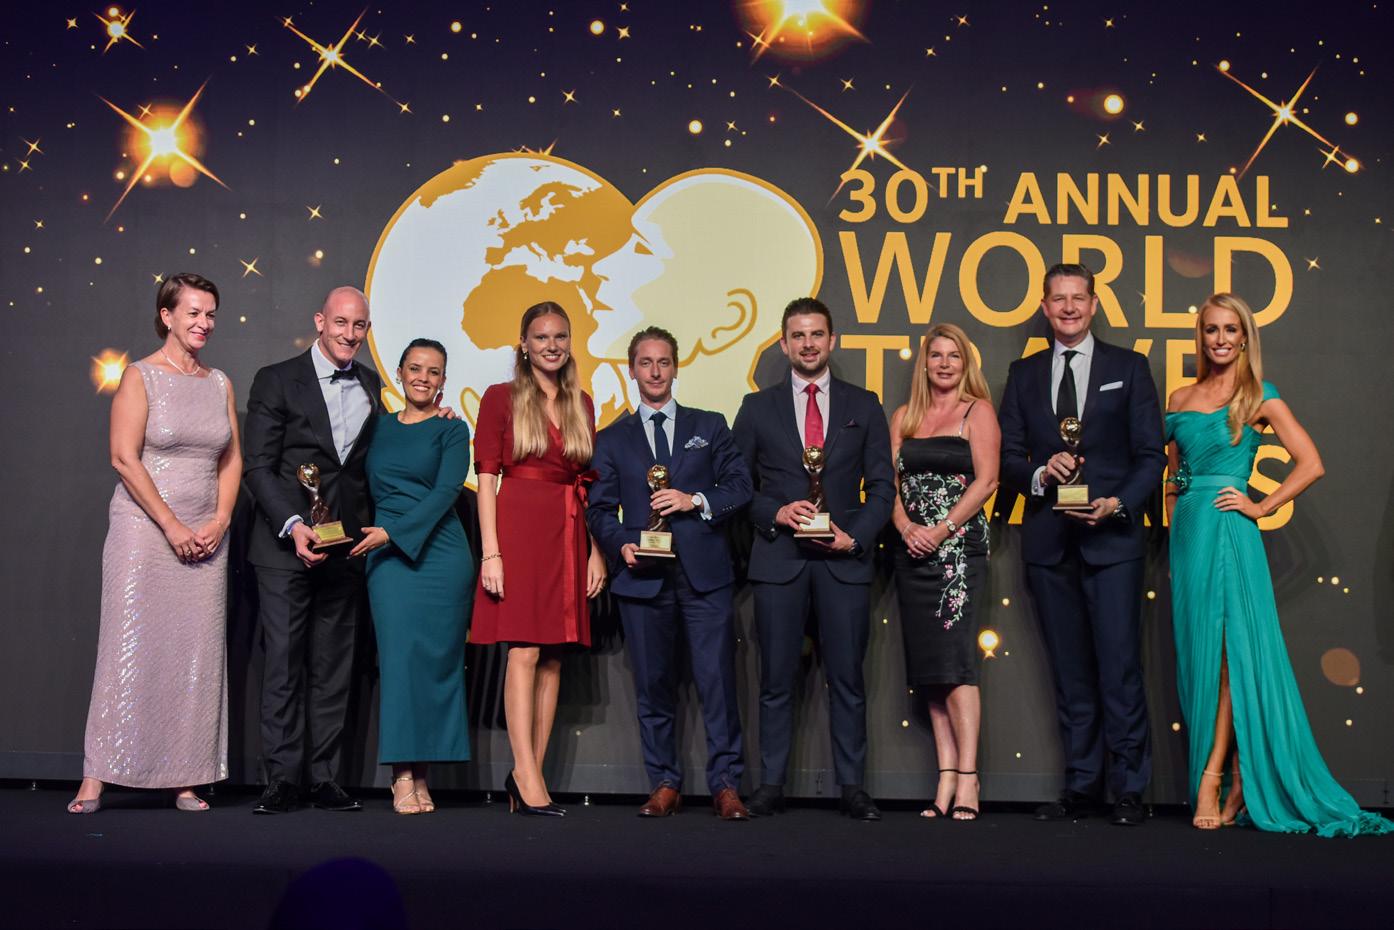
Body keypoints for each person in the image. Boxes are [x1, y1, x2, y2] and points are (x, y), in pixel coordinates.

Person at [1165, 294, 1393, 836]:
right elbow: (1174, 476)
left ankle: (1213, 777)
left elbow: (1311, 463)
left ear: (1245, 337)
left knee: (1229, 657)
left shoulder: (1259, 396)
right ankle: (1240, 778)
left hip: (1230, 533)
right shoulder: (1179, 397)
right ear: (1201, 336)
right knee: (1201, 654)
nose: (1221, 339)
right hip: (1190, 536)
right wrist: (1175, 523)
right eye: (1212, 329)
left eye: (1231, 330)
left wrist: (1262, 505)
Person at [999, 263, 1165, 827]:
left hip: (1113, 540)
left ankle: (1129, 789)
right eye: (1058, 299)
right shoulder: (1023, 374)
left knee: (1119, 668)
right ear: (1045, 307)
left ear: (1093, 305)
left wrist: (1119, 503)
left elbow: (1151, 456)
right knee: (1070, 674)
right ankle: (1082, 785)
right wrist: (1041, 473)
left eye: (1078, 298)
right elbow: (1007, 458)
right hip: (1050, 544)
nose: (1068, 308)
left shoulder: (1129, 367)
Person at [69, 273, 241, 813]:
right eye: (193, 312)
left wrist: (220, 520)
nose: (203, 323)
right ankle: (97, 776)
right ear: (167, 316)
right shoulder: (140, 376)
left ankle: (185, 777)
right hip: (145, 532)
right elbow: (124, 458)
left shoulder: (219, 383)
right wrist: (171, 525)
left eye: (210, 314)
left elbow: (231, 458)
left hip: (206, 539)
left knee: (194, 654)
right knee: (127, 648)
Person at [732, 297, 895, 820]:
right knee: (776, 681)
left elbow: (883, 488)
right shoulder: (756, 408)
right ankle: (770, 785)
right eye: (798, 335)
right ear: (784, 344)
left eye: (816, 334)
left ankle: (853, 787)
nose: (808, 344)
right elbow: (736, 488)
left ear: (832, 340)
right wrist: (776, 512)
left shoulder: (863, 405)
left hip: (843, 563)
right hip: (779, 561)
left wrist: (855, 539)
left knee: (847, 680)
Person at [586, 326, 754, 820]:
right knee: (653, 686)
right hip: (642, 577)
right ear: (631, 370)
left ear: (676, 368)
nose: (655, 371)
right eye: (646, 363)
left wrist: (694, 499)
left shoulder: (710, 425)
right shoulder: (611, 438)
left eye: (663, 362)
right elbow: (599, 510)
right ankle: (664, 782)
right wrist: (621, 544)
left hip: (705, 576)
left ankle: (726, 785)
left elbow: (740, 485)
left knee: (717, 684)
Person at [243, 286, 383, 815]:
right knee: (283, 664)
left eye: (359, 325)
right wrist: (294, 525)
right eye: (341, 323)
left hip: (344, 548)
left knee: (334, 667)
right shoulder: (277, 379)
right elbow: (259, 465)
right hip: (284, 548)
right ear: (320, 321)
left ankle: (324, 777)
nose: (350, 334)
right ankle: (282, 780)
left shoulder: (370, 383)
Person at [472, 301, 607, 816]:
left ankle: (532, 775)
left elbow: (584, 485)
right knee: (524, 651)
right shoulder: (500, 397)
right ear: (524, 345)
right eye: (541, 337)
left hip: (567, 532)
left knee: (553, 655)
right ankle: (524, 774)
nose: (552, 345)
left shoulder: (582, 403)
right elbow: (486, 479)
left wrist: (594, 550)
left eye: (560, 336)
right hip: (519, 531)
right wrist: (491, 552)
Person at [358, 339, 474, 814]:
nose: (423, 378)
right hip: (389, 561)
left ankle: (422, 775)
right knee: (401, 665)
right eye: (416, 368)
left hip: (442, 558)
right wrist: (385, 535)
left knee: (436, 667)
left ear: (444, 380)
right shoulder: (377, 426)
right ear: (400, 373)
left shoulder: (454, 429)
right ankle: (401, 776)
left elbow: (447, 491)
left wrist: (393, 532)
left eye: (434, 371)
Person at [889, 323, 999, 821]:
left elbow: (988, 480)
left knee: (956, 665)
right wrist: (906, 527)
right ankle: (946, 776)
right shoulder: (904, 417)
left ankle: (969, 778)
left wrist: (941, 530)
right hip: (912, 552)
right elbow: (888, 485)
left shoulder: (978, 411)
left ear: (965, 363)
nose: (945, 363)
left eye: (954, 355)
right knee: (931, 669)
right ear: (925, 363)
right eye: (937, 355)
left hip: (958, 555)